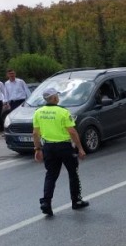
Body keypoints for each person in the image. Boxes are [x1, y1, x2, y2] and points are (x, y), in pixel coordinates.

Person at [31, 87, 88, 216]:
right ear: (55, 98)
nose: (58, 97)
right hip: (64, 147)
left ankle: (46, 202)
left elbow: (35, 133)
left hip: (49, 148)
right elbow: (72, 132)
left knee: (51, 175)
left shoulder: (38, 112)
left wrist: (37, 149)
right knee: (73, 173)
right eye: (57, 95)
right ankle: (76, 201)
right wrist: (80, 148)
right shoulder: (63, 112)